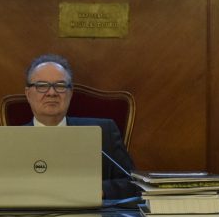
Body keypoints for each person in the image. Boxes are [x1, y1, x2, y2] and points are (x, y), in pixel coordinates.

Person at [22, 53, 135, 199]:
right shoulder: (8, 141)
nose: (51, 93)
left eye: (60, 86)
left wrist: (98, 190)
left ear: (70, 93)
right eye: (42, 86)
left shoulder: (103, 133)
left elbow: (134, 184)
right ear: (28, 94)